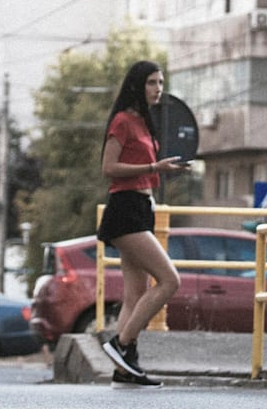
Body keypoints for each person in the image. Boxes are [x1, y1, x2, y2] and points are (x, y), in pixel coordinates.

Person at [95, 61, 187, 390]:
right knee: (169, 280)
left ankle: (124, 370)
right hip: (126, 209)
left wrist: (165, 169)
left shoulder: (144, 123)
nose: (158, 88)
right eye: (151, 82)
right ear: (137, 85)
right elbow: (109, 167)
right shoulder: (123, 121)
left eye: (161, 82)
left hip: (142, 206)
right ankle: (122, 343)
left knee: (134, 295)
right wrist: (153, 165)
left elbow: (148, 168)